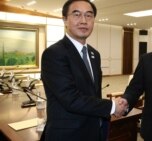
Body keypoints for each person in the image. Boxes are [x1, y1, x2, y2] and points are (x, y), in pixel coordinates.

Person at [41, 0, 126, 141]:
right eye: (76, 15)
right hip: (68, 135)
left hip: (94, 130)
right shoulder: (54, 53)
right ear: (65, 20)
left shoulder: (94, 54)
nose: (83, 21)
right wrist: (112, 106)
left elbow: (93, 94)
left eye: (89, 15)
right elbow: (71, 99)